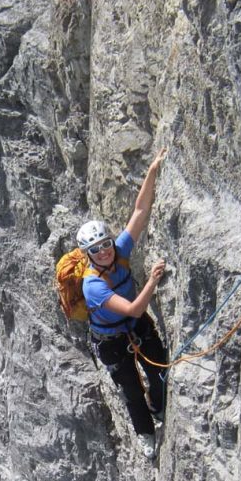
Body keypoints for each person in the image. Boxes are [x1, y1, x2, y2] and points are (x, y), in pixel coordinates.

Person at [78, 148, 169, 459]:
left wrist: (153, 169)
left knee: (159, 370)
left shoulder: (120, 251)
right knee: (131, 390)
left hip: (135, 327)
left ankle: (158, 405)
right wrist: (153, 282)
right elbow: (133, 308)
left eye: (105, 244)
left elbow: (140, 212)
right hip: (112, 341)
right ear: (87, 255)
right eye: (96, 249)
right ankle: (146, 434)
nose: (104, 252)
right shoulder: (92, 285)